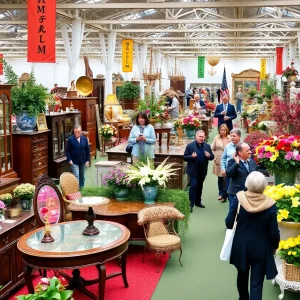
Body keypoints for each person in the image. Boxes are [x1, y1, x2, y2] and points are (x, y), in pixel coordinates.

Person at [225, 171, 280, 300]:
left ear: (247, 183)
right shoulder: (270, 204)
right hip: (261, 247)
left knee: (242, 276)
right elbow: (274, 232)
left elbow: (228, 222)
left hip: (241, 244)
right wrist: (274, 246)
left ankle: (243, 298)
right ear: (264, 185)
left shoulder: (239, 199)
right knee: (257, 282)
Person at [183, 130, 214, 212]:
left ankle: (198, 202)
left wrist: (209, 155)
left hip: (202, 170)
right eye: (200, 136)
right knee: (193, 186)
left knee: (200, 186)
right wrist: (192, 156)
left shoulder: (207, 146)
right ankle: (190, 204)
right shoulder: (190, 146)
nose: (201, 138)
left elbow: (212, 157)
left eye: (203, 137)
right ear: (196, 137)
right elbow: (185, 157)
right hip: (193, 170)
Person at [226, 142, 258, 210]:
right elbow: (229, 174)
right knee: (234, 215)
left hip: (250, 194)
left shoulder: (251, 161)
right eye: (247, 150)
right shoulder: (232, 161)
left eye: (250, 150)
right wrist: (236, 163)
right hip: (236, 194)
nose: (250, 152)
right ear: (240, 153)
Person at [221, 128, 241, 203]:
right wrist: (223, 169)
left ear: (239, 136)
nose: (232, 137)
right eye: (231, 136)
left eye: (234, 136)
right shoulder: (228, 146)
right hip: (229, 172)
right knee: (230, 192)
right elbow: (223, 159)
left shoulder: (244, 146)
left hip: (240, 173)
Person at [211, 124, 231, 202]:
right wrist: (214, 157)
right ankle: (221, 193)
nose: (222, 131)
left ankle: (226, 193)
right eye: (221, 130)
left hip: (228, 159)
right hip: (218, 159)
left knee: (226, 177)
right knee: (220, 177)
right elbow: (212, 148)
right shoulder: (216, 138)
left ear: (226, 131)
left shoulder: (230, 138)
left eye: (224, 130)